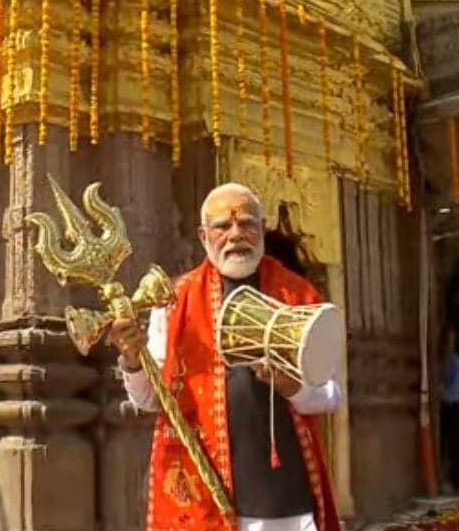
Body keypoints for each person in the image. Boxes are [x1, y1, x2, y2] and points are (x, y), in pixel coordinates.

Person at [108, 182, 343, 531]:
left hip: (282, 499)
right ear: (204, 236)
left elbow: (332, 397)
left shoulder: (298, 296)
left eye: (246, 223)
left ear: (262, 230)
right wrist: (131, 359)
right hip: (199, 491)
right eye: (222, 226)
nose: (235, 235)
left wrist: (291, 386)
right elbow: (149, 400)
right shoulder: (173, 301)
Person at [440, 327, 459, 493]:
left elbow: (454, 389)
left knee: (454, 445)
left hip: (452, 406)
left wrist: (440, 392)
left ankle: (457, 482)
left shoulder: (458, 364)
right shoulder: (439, 362)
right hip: (441, 407)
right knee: (442, 445)